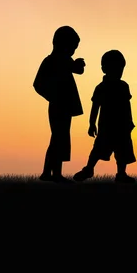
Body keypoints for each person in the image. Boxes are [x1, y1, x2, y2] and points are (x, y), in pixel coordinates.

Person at [73, 50, 136, 183]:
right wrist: (91, 124)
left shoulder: (124, 86)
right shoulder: (101, 88)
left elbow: (127, 106)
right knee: (98, 149)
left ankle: (121, 174)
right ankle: (89, 169)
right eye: (117, 68)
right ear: (105, 68)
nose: (120, 71)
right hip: (106, 126)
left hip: (122, 126)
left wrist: (130, 122)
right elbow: (95, 107)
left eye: (121, 68)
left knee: (122, 151)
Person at [34, 26, 85, 183]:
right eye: (72, 48)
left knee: (58, 139)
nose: (73, 51)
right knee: (58, 139)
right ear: (63, 44)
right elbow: (38, 84)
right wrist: (52, 96)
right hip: (58, 106)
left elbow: (77, 70)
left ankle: (49, 173)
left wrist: (78, 64)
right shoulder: (54, 61)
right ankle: (53, 174)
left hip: (63, 106)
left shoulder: (61, 60)